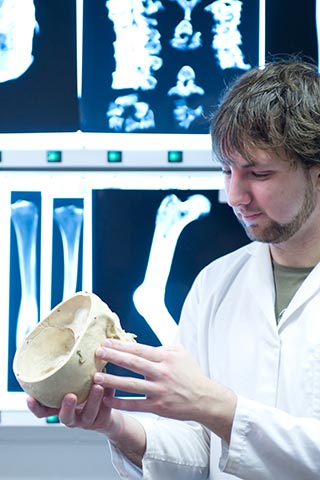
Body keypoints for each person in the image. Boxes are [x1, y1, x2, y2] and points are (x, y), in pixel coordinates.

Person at [28, 57, 320, 479]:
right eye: (227, 170)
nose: (235, 195)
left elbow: (219, 419)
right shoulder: (217, 284)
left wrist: (215, 406)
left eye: (259, 173)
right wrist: (116, 426)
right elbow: (198, 451)